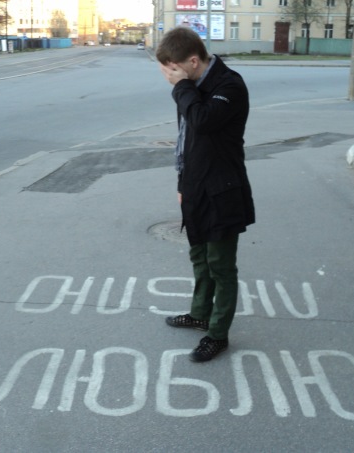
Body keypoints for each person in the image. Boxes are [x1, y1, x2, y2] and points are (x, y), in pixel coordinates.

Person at [156, 27, 255, 362]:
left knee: (221, 266)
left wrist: (182, 87)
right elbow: (186, 140)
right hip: (195, 187)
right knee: (199, 257)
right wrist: (182, 184)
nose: (169, 78)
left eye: (172, 70)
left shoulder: (229, 85)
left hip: (223, 190)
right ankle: (200, 313)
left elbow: (202, 121)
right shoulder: (192, 86)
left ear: (193, 62)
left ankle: (217, 334)